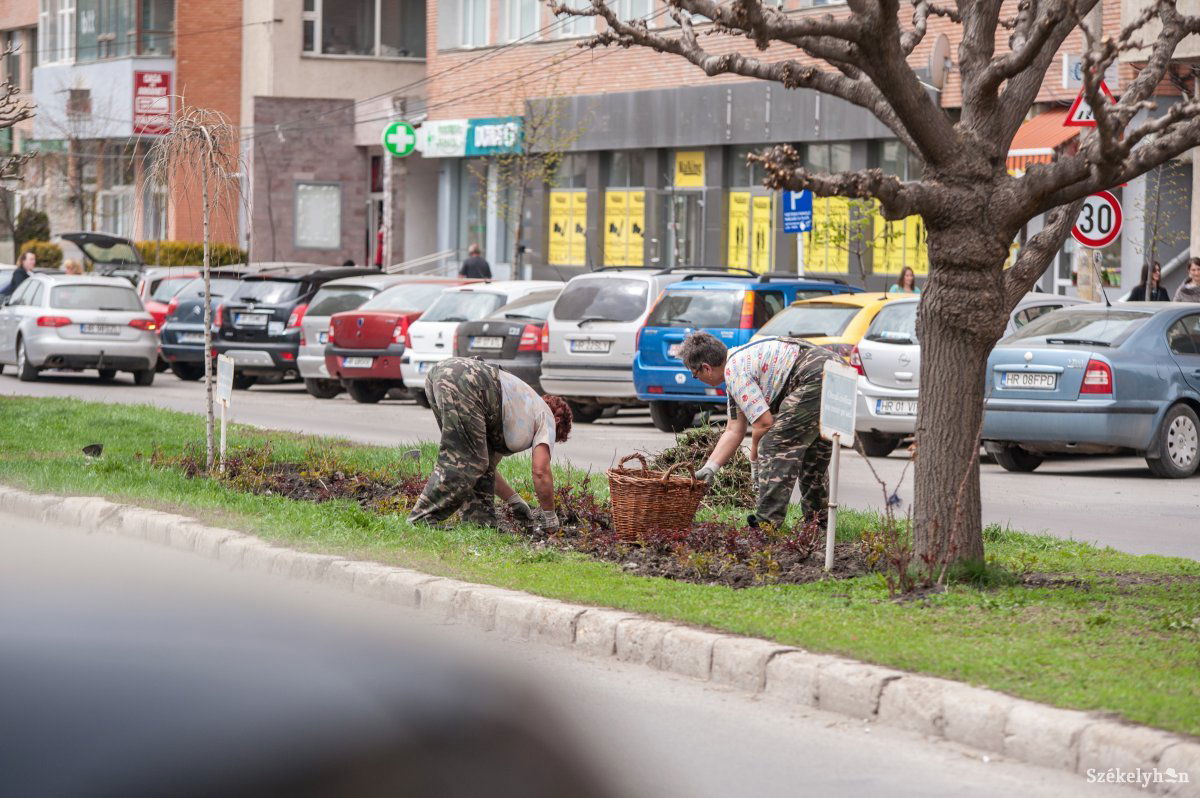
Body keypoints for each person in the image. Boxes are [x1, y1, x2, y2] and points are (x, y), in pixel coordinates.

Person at [680, 331, 836, 530]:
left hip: (813, 374)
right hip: (833, 368)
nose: (697, 379)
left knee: (773, 446)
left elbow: (764, 423)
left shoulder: (734, 371)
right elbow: (734, 429)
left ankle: (765, 526)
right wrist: (710, 467)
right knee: (812, 453)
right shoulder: (738, 362)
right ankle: (819, 525)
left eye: (695, 375)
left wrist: (755, 456)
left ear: (706, 368)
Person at [408, 356, 573, 532]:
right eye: (555, 437)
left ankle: (480, 523)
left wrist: (514, 501)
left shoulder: (519, 407)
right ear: (557, 421)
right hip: (468, 380)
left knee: (478, 463)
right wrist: (550, 516)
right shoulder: (547, 416)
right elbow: (541, 471)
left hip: (443, 374)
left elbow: (488, 468)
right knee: (465, 459)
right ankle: (421, 518)